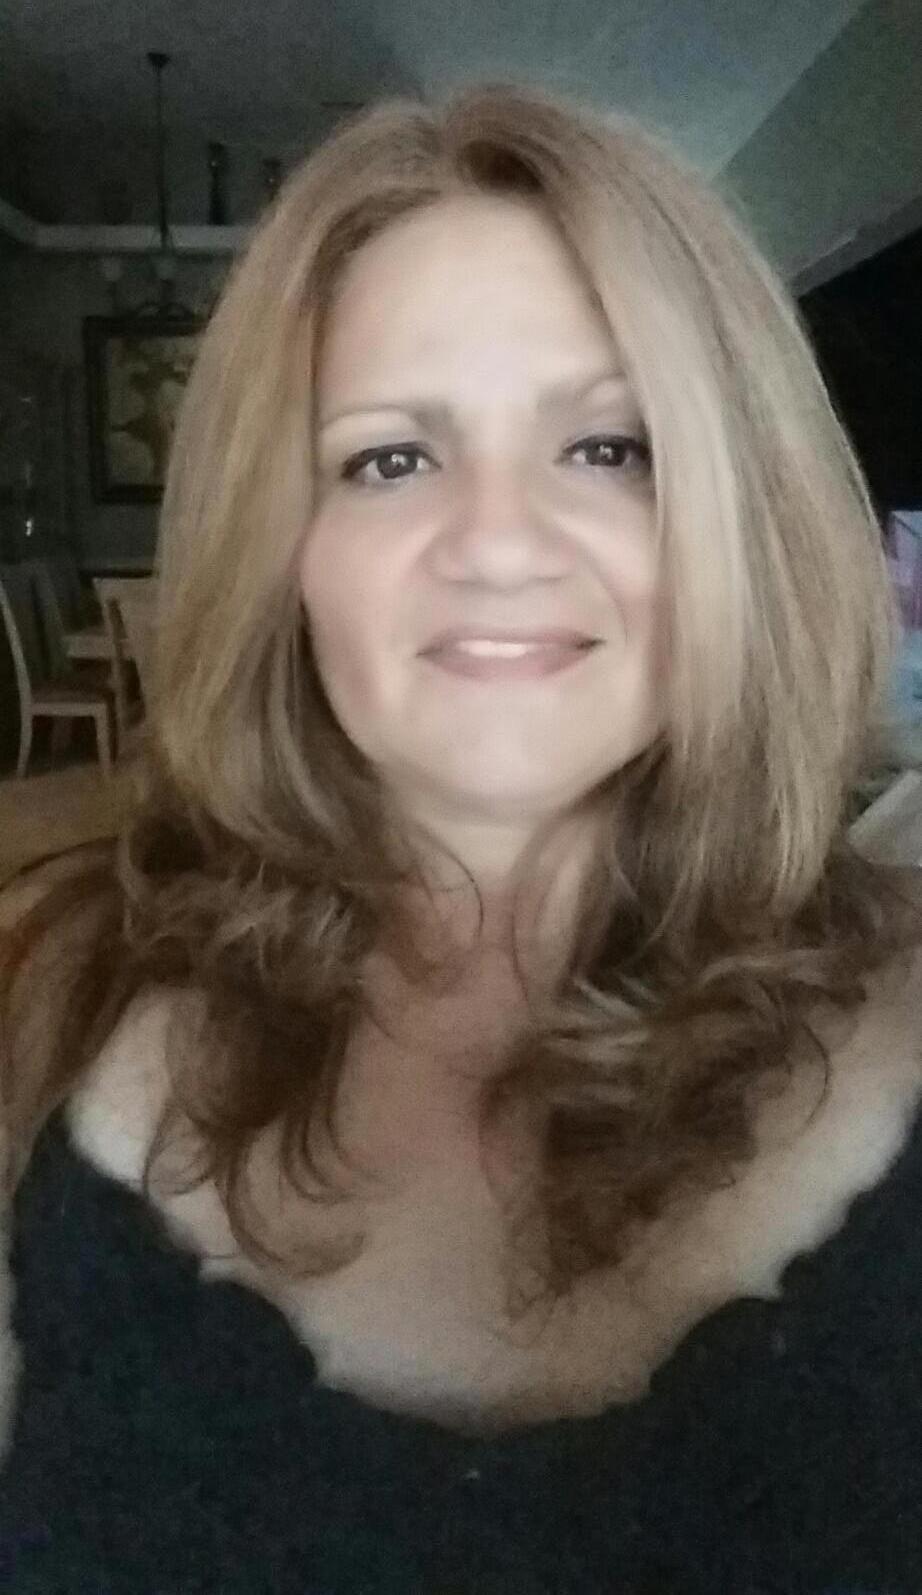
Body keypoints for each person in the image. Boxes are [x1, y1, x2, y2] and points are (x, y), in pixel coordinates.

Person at [0, 78, 920, 1594]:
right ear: (286, 552)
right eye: (390, 458)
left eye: (609, 446)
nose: (496, 541)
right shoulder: (48, 997)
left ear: (738, 515)